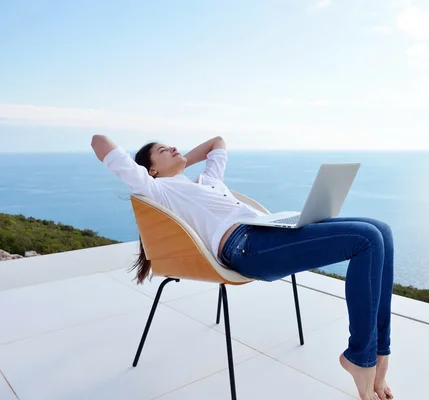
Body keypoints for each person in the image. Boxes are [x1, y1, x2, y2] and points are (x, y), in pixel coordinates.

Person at [91, 134, 395, 400]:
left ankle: (379, 353)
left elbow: (217, 142)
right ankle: (361, 356)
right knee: (366, 239)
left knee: (381, 230)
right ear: (151, 169)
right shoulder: (159, 190)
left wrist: (181, 160)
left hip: (266, 231)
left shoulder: (208, 181)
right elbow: (99, 141)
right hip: (246, 248)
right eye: (162, 150)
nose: (172, 147)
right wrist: (159, 168)